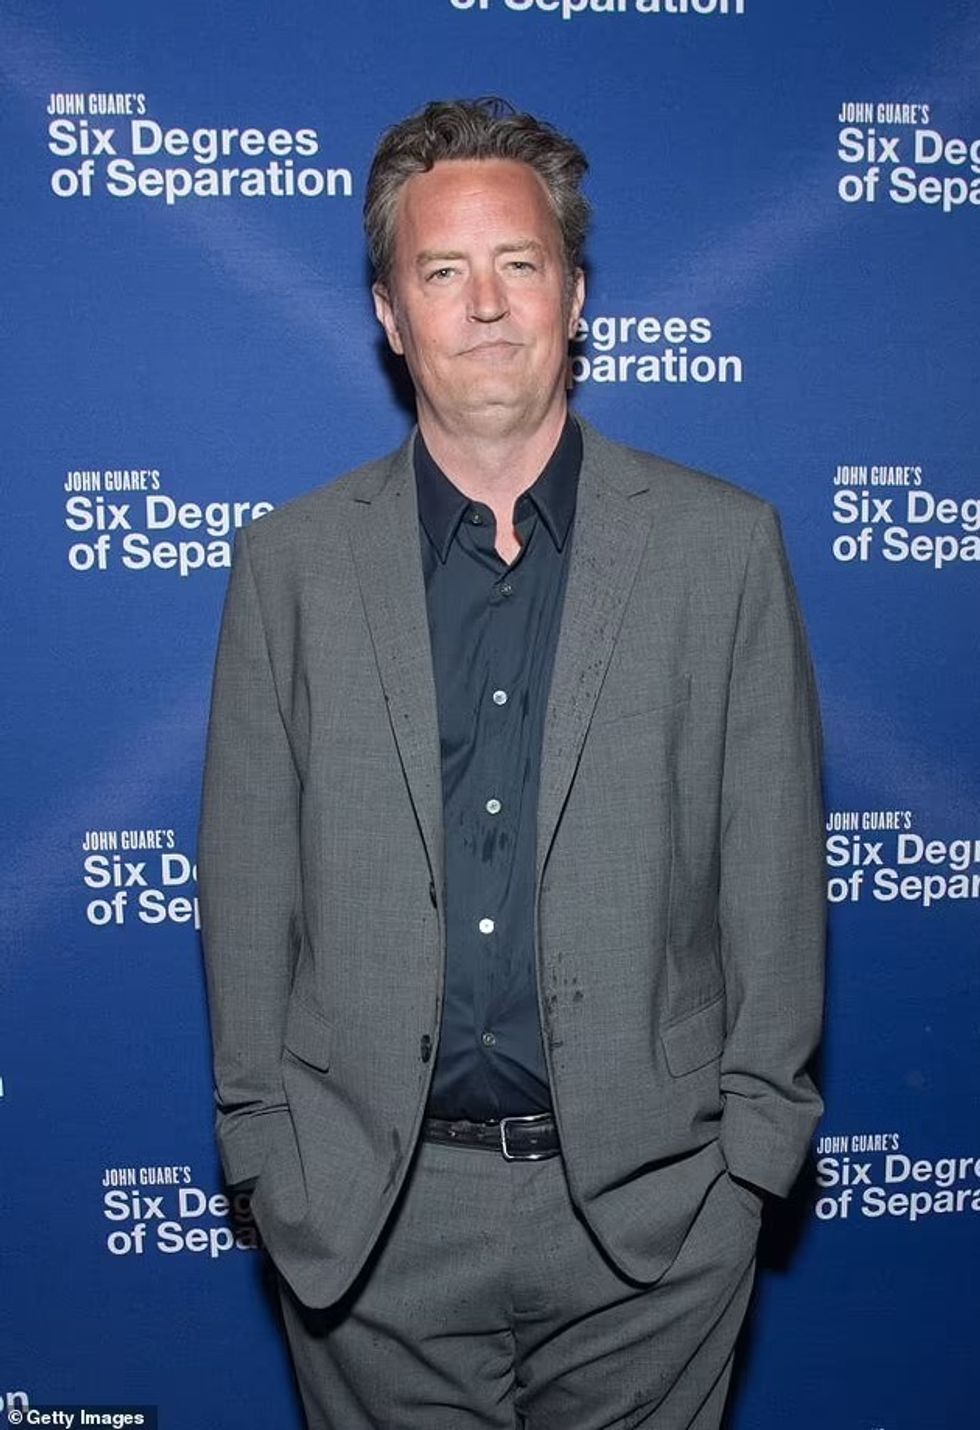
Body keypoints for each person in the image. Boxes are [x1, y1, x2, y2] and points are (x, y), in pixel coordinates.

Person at [198, 97, 826, 1430]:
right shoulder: (289, 566)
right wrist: (264, 1152)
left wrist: (751, 1165)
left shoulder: (723, 550)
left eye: (519, 264)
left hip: (658, 1226)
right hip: (370, 1227)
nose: (485, 305)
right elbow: (246, 884)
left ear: (575, 295)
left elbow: (774, 872)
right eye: (443, 272)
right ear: (391, 316)